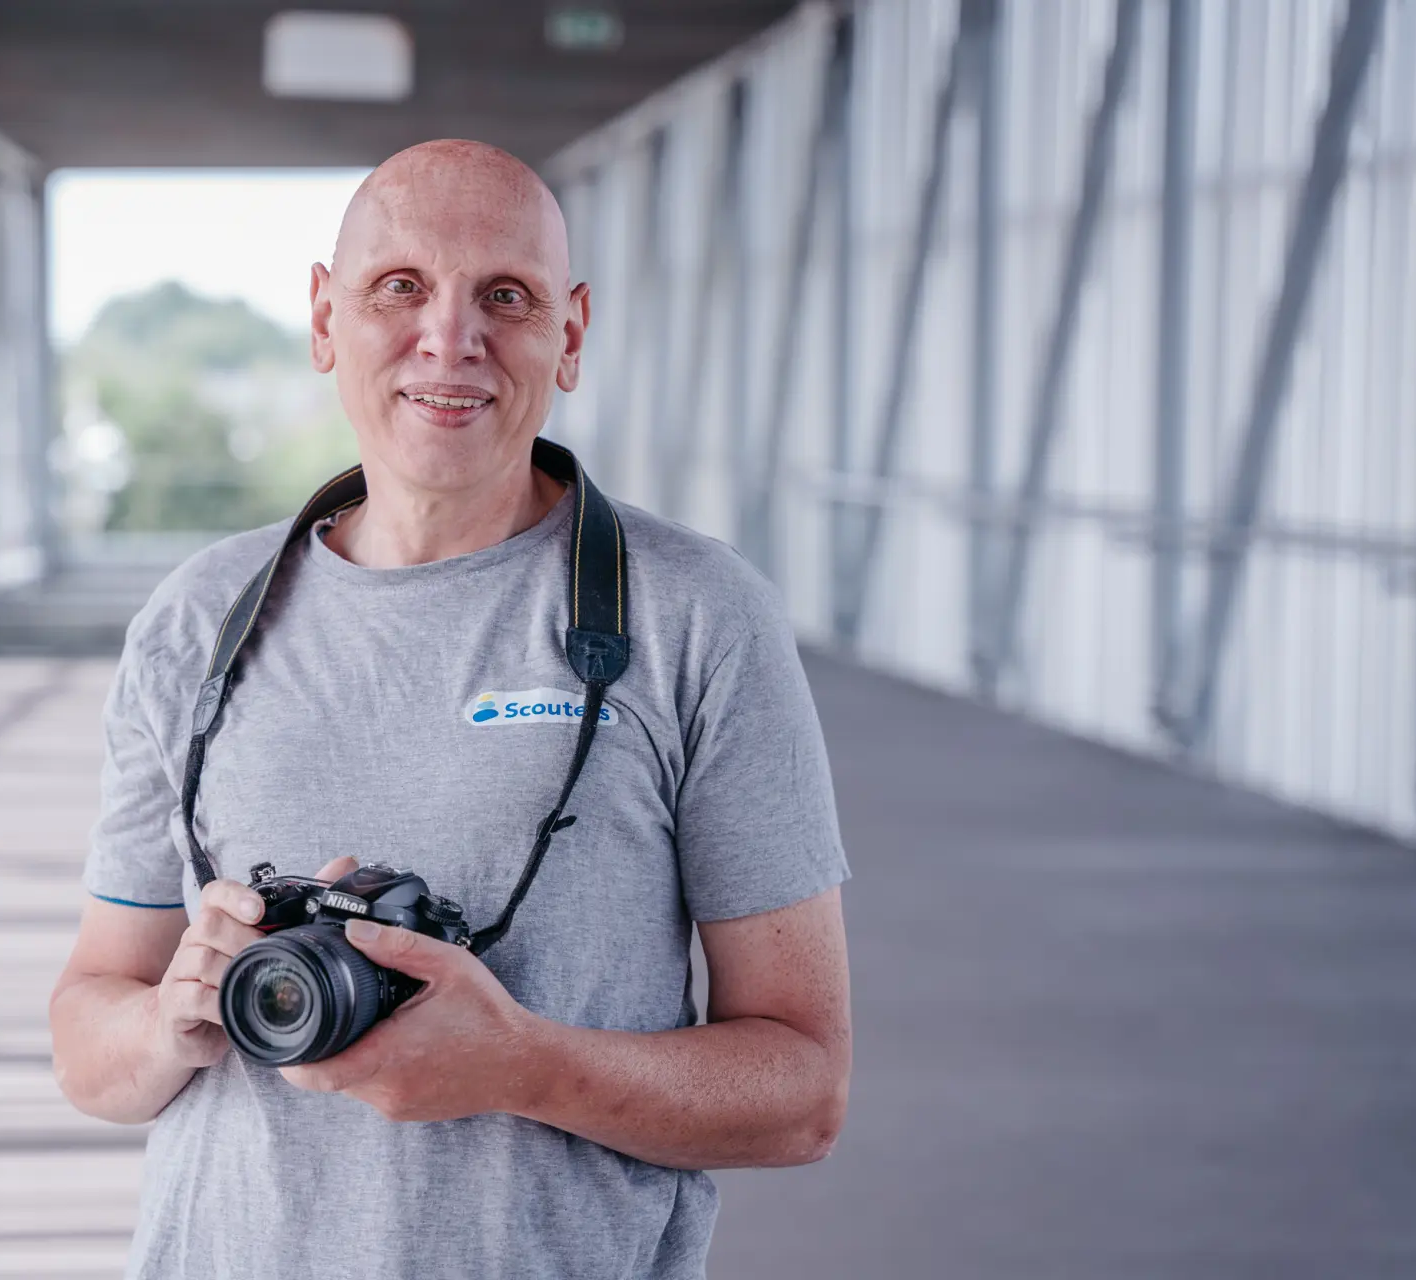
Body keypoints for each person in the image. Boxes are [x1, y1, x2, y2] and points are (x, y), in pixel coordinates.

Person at [49, 138, 852, 1280]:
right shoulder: (197, 624)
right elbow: (88, 1036)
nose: (451, 337)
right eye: (400, 287)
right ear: (326, 318)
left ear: (569, 334)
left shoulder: (695, 619)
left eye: (506, 297)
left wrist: (521, 1061)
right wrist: (169, 1014)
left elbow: (803, 1090)